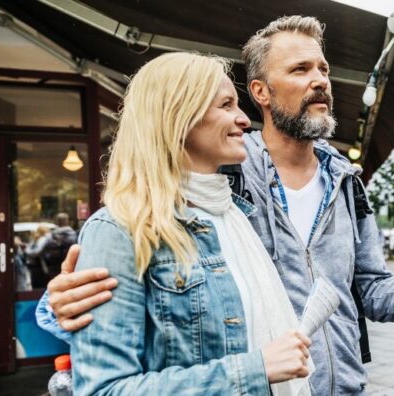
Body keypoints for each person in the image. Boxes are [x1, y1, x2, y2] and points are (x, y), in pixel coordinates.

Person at [37, 16, 394, 395]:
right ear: (261, 93)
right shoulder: (224, 181)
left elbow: (368, 292)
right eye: (300, 69)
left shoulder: (345, 183)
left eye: (324, 69)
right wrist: (58, 301)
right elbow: (143, 256)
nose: (321, 81)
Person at [51, 52, 314, 395]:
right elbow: (104, 389)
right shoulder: (119, 230)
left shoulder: (235, 214)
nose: (243, 120)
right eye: (226, 105)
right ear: (179, 116)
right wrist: (255, 368)